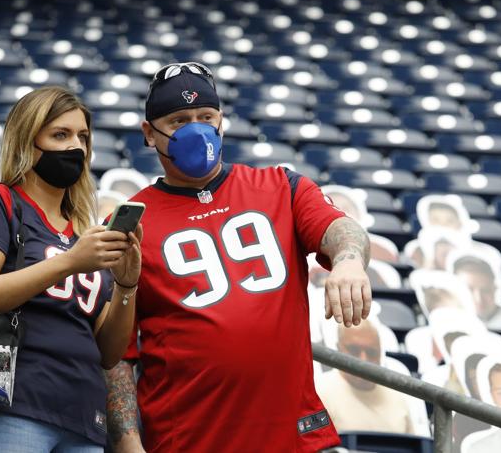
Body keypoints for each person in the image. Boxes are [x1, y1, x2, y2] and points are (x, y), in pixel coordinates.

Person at [104, 62, 372, 453]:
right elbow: (117, 354)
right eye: (179, 120)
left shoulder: (281, 185)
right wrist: (130, 445)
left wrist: (348, 260)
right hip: (191, 439)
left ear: (221, 121)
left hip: (296, 435)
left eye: (205, 117)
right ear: (150, 133)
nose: (196, 129)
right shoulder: (132, 222)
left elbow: (340, 229)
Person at [0, 86, 142, 452]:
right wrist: (69, 263)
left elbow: (109, 352)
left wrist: (125, 286)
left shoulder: (85, 231)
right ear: (27, 140)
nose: (77, 147)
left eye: (83, 137)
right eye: (60, 134)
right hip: (10, 410)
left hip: (83, 419)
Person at [315, 320, 414, 434]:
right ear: (339, 349)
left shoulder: (397, 397)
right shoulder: (318, 393)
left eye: (371, 352)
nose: (363, 359)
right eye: (354, 350)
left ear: (380, 355)